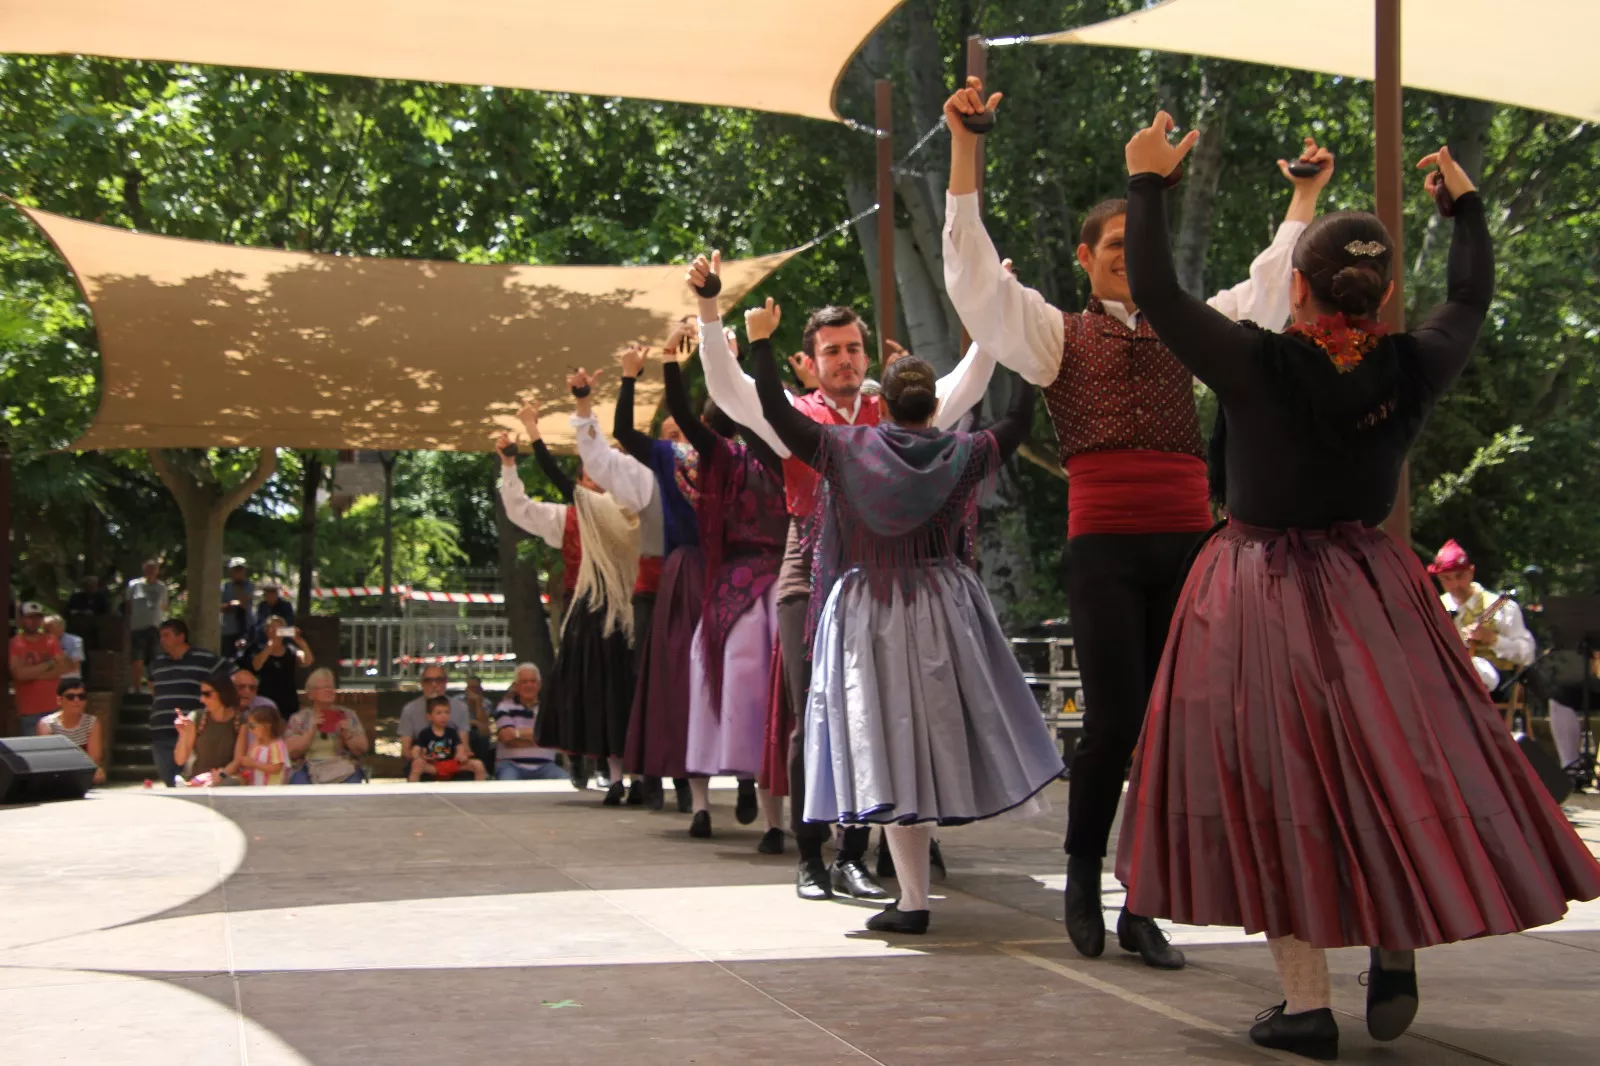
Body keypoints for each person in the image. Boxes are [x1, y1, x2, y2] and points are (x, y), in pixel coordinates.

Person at [1112, 114, 1600, 1057]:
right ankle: (1394, 940)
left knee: (1278, 782)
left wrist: (1145, 184)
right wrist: (1467, 213)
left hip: (1259, 588)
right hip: (1375, 589)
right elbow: (1471, 295)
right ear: (1384, 292)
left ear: (1296, 285)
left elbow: (1158, 292)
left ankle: (1306, 1006)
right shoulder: (1414, 363)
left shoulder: (1256, 360)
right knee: (1384, 761)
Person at [940, 77, 1334, 970]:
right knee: (1115, 720)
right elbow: (973, 278)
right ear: (1085, 258)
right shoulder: (1054, 335)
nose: (1126, 256)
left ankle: (1143, 899)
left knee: (1174, 727)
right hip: (1106, 551)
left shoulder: (1193, 329)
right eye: (1113, 245)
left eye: (1134, 242)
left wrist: (1304, 198)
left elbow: (1271, 292)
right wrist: (966, 146)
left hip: (1190, 550)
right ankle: (1084, 874)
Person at [748, 300, 1063, 933]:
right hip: (946, 610)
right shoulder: (964, 451)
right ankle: (911, 891)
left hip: (868, 612)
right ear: (932, 406)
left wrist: (760, 344)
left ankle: (913, 900)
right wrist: (1022, 358)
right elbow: (1017, 421)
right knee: (935, 739)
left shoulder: (843, 448)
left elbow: (776, 414)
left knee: (887, 745)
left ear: (883, 405)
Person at [691, 258, 994, 903]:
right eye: (832, 351)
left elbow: (967, 383)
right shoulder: (792, 411)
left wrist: (991, 308)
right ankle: (811, 856)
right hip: (809, 562)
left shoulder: (898, 410)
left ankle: (857, 854)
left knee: (881, 712)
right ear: (813, 359)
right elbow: (726, 387)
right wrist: (710, 310)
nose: (846, 360)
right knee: (813, 714)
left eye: (854, 348)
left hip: (886, 572)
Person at [657, 327, 791, 846]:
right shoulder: (737, 457)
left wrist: (677, 364)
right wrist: (674, 364)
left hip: (760, 592)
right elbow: (686, 416)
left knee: (754, 702)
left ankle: (761, 818)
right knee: (766, 704)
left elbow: (689, 416)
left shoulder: (786, 453)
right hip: (761, 594)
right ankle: (768, 820)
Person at [498, 378, 643, 805]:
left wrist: (534, 432)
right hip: (591, 615)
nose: (596, 480)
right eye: (590, 474)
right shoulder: (573, 513)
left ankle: (639, 775)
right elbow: (521, 509)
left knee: (628, 697)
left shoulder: (633, 510)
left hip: (630, 614)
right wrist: (510, 466)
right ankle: (603, 769)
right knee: (593, 695)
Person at [556, 357, 692, 813]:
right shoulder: (647, 476)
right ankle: (653, 777)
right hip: (656, 590)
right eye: (668, 435)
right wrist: (584, 402)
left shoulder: (715, 469)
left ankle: (702, 778)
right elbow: (598, 458)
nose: (677, 440)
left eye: (682, 432)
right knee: (649, 682)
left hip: (706, 587)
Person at [606, 339, 708, 818]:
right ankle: (677, 779)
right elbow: (625, 433)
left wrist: (633, 376)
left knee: (683, 678)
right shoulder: (716, 455)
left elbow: (624, 431)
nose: (677, 432)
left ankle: (714, 781)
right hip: (710, 576)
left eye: (681, 425)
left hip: (699, 575)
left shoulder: (691, 456)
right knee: (684, 678)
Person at [1430, 540, 1536, 693]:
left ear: (1471, 571)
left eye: (1459, 576)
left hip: (1494, 685)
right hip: (1444, 684)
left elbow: (1527, 654)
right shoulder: (1436, 607)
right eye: (1446, 578)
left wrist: (1492, 639)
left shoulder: (1502, 607)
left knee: (1474, 668)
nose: (1454, 584)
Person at [148, 618, 222, 786]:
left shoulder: (205, 659)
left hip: (193, 731)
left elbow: (227, 680)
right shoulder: (157, 663)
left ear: (181, 637)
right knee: (170, 782)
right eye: (161, 636)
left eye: (166, 635)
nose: (162, 640)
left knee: (191, 780)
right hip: (162, 731)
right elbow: (153, 688)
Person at [285, 667, 367, 784]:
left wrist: (347, 735)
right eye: (323, 688)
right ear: (310, 694)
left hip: (342, 767)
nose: (328, 691)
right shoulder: (299, 718)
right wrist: (310, 732)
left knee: (353, 786)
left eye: (330, 687)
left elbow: (362, 749)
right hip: (308, 768)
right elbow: (290, 752)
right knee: (299, 785)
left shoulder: (347, 715)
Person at [493, 663, 566, 780]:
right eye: (524, 682)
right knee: (507, 785)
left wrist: (517, 735)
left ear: (539, 685)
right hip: (511, 765)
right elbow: (506, 737)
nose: (529, 685)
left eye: (533, 681)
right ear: (516, 686)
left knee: (565, 782)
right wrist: (540, 739)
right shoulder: (504, 707)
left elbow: (554, 737)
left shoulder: (549, 709)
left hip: (546, 766)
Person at [172, 673, 248, 784]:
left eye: (207, 694)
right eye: (201, 694)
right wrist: (183, 734)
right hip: (198, 781)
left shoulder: (240, 721)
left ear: (223, 693)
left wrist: (220, 776)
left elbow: (238, 760)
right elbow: (180, 760)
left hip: (226, 781)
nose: (202, 699)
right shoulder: (196, 718)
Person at [9, 602, 67, 735]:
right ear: (21, 619)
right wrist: (49, 664)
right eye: (30, 617)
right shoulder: (15, 644)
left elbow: (61, 669)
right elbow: (19, 674)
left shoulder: (51, 641)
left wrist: (30, 673)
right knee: (32, 747)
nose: (34, 621)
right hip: (29, 711)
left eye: (38, 617)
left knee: (56, 747)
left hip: (54, 708)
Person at [397, 665, 472, 765]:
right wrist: (419, 757)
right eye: (428, 681)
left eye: (439, 680)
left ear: (446, 682)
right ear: (422, 683)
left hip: (453, 762)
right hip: (422, 763)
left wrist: (462, 755)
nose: (434, 684)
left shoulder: (461, 708)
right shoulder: (409, 710)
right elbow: (406, 751)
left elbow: (464, 745)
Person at [38, 677, 106, 786]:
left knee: (98, 774)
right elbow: (47, 759)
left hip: (82, 769)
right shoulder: (47, 724)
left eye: (81, 696)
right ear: (59, 700)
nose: (76, 701)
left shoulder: (92, 722)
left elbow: (94, 758)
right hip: (57, 771)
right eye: (70, 697)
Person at [409, 695, 487, 782]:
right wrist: (419, 757)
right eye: (439, 713)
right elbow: (416, 749)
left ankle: (480, 789)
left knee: (478, 764)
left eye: (447, 712)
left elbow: (459, 747)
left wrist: (460, 755)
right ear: (429, 716)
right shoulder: (425, 733)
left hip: (451, 765)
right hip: (434, 766)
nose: (443, 716)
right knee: (416, 764)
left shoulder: (452, 732)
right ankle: (412, 789)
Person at [250, 615, 312, 720]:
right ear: (266, 631)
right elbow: (256, 666)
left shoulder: (291, 650)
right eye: (272, 628)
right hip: (266, 702)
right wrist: (270, 646)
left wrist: (302, 643)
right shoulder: (259, 649)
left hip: (289, 702)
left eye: (280, 628)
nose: (276, 631)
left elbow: (307, 661)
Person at [125, 559, 168, 694]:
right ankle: (137, 689)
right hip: (138, 627)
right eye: (148, 569)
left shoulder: (162, 587)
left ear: (157, 571)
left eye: (153, 569)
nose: (150, 572)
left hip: (155, 628)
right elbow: (128, 605)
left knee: (155, 659)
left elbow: (164, 606)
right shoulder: (134, 585)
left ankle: (154, 690)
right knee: (137, 658)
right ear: (143, 570)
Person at [240, 705, 290, 786]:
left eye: (252, 726)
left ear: (266, 727)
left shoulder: (277, 745)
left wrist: (254, 764)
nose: (249, 730)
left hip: (271, 790)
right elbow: (249, 762)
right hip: (255, 788)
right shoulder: (255, 744)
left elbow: (276, 768)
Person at [220, 557, 255, 659]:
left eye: (240, 570)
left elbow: (244, 602)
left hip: (246, 628)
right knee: (227, 658)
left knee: (246, 658)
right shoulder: (225, 586)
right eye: (235, 570)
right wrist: (230, 605)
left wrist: (238, 585)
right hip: (228, 629)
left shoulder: (249, 585)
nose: (238, 573)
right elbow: (219, 606)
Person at [43, 615, 84, 682]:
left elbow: (75, 666)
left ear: (61, 627)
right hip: (47, 677)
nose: (46, 631)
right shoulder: (40, 641)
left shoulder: (75, 641)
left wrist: (55, 644)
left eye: (49, 627)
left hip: (68, 678)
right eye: (45, 628)